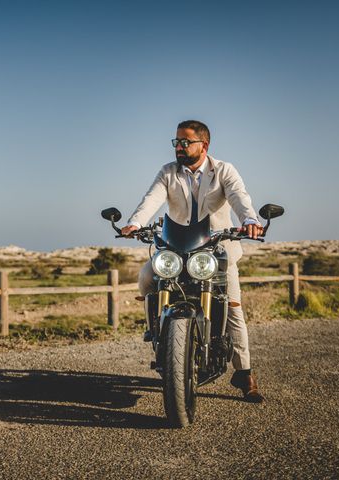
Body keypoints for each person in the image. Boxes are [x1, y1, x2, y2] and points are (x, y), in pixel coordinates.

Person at [121, 119, 265, 403]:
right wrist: (135, 222)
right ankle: (157, 330)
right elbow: (151, 199)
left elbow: (239, 197)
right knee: (146, 278)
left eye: (186, 142)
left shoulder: (224, 170)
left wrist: (249, 220)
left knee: (233, 309)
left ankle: (245, 373)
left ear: (204, 145)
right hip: (176, 249)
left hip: (216, 251)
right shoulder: (168, 173)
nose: (179, 147)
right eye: (176, 142)